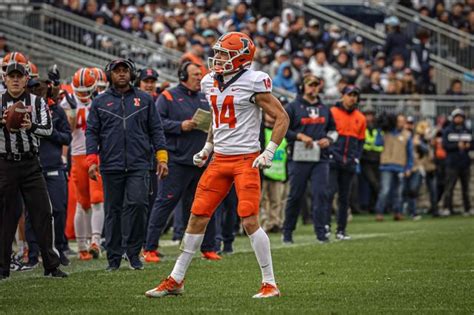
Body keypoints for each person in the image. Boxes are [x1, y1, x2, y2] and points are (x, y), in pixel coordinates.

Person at [145, 32, 289, 299]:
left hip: (246, 159)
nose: (218, 58)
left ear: (241, 58)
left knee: (248, 218)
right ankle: (176, 279)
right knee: (197, 215)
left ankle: (270, 283)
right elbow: (216, 117)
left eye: (224, 53)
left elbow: (282, 117)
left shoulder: (254, 81)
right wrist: (208, 146)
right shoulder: (210, 81)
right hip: (219, 159)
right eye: (218, 52)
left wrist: (269, 151)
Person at [86, 59, 168, 271]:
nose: (121, 74)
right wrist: (91, 161)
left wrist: (162, 158)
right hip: (110, 165)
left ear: (132, 74)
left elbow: (156, 130)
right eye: (117, 71)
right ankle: (113, 258)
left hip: (140, 164)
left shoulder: (145, 99)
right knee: (112, 211)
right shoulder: (99, 102)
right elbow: (92, 133)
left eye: (125, 70)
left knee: (139, 205)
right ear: (109, 75)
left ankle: (133, 253)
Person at [143, 62, 221, 263]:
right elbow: (157, 123)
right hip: (177, 161)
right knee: (164, 203)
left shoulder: (205, 97)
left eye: (200, 74)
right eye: (195, 74)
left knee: (204, 205)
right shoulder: (167, 96)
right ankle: (149, 247)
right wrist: (180, 126)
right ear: (182, 76)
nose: (199, 77)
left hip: (200, 161)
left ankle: (208, 247)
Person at [0, 62, 67, 279]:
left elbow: (48, 129)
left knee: (43, 213)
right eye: (12, 76)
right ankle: (2, 268)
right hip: (5, 164)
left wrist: (31, 126)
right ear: (5, 79)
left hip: (31, 164)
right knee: (6, 216)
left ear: (26, 79)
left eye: (20, 76)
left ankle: (50, 264)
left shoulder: (37, 102)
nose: (16, 80)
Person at [282, 74, 337, 243]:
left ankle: (321, 233)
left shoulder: (324, 108)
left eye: (316, 85)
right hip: (298, 157)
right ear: (303, 86)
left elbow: (334, 130)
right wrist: (299, 136)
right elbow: (283, 129)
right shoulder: (293, 107)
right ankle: (288, 232)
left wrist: (328, 140)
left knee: (321, 194)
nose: (313, 88)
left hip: (320, 157)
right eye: (310, 84)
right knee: (296, 195)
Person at [26, 72, 72, 268]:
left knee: (59, 209)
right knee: (32, 213)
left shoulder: (56, 111)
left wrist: (47, 131)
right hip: (33, 166)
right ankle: (33, 253)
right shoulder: (22, 110)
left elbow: (66, 137)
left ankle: (60, 248)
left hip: (53, 166)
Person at [327, 86, 366, 240]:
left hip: (349, 162)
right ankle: (325, 227)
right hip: (333, 159)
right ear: (342, 95)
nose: (352, 98)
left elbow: (361, 142)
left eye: (355, 95)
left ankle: (341, 230)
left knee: (344, 198)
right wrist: (330, 153)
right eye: (350, 95)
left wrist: (356, 157)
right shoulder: (332, 113)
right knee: (328, 194)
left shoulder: (361, 118)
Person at [375, 113, 414, 221]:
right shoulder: (386, 132)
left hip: (400, 166)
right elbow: (377, 143)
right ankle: (379, 212)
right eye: (399, 121)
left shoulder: (407, 135)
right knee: (385, 190)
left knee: (399, 192)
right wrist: (379, 129)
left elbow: (410, 153)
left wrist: (409, 167)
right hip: (386, 165)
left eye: (403, 121)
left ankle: (398, 212)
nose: (400, 123)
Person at [441, 109, 473, 216]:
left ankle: (467, 208)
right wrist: (456, 146)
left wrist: (469, 146)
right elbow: (445, 145)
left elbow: (472, 144)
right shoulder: (448, 130)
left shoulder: (467, 130)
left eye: (461, 117)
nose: (459, 119)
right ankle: (446, 208)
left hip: (465, 163)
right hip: (452, 163)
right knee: (449, 187)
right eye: (457, 117)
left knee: (466, 188)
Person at [360, 105, 383, 213]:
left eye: (371, 115)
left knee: (376, 183)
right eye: (367, 115)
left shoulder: (378, 128)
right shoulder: (361, 127)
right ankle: (371, 206)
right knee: (373, 183)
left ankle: (373, 206)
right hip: (365, 160)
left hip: (377, 159)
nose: (369, 118)